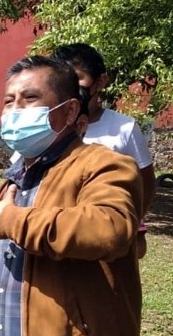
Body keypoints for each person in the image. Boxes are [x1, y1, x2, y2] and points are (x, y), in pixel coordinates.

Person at [0, 56, 143, 336]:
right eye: (9, 100)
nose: (14, 110)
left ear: (68, 111)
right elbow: (7, 270)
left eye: (29, 98)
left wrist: (11, 221)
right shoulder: (17, 177)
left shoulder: (104, 166)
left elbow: (110, 228)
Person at [51, 43, 155, 258]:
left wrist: (130, 225)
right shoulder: (48, 128)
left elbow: (146, 183)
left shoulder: (124, 128)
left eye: (77, 78)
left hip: (105, 241)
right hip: (55, 237)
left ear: (100, 81)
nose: (70, 86)